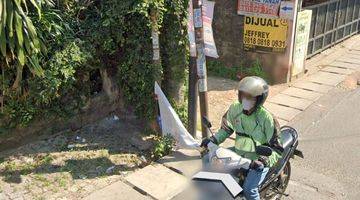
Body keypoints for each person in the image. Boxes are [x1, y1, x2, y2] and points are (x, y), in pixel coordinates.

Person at [200, 76, 281, 200]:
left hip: (257, 160)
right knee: (211, 164)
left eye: (250, 97)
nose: (245, 99)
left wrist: (263, 161)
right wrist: (213, 140)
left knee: (249, 190)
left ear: (259, 99)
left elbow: (277, 149)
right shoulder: (235, 108)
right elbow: (226, 129)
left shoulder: (267, 118)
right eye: (242, 95)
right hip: (238, 154)